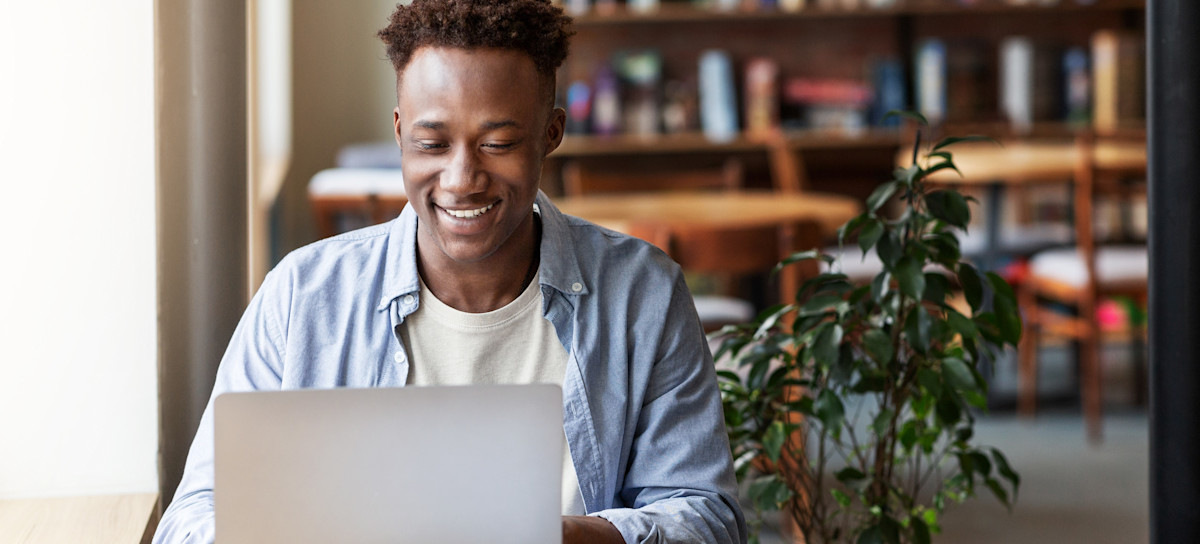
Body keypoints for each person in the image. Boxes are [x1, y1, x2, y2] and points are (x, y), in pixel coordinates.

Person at [153, 0, 746, 542]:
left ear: (550, 134)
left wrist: (556, 536)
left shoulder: (643, 295)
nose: (462, 179)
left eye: (497, 143)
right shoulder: (303, 297)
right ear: (399, 136)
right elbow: (193, 517)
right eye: (432, 144)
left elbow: (707, 517)